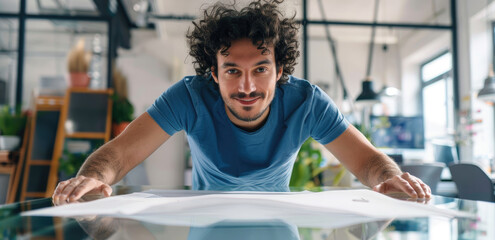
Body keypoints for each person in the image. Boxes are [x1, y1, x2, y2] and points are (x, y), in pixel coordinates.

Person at [52, 0, 430, 205]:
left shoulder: (307, 102)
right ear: (212, 74)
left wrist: (391, 180)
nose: (247, 86)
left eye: (260, 68)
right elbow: (118, 156)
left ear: (280, 70)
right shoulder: (189, 95)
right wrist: (93, 177)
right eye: (232, 70)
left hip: (278, 221)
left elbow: (366, 159)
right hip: (205, 220)